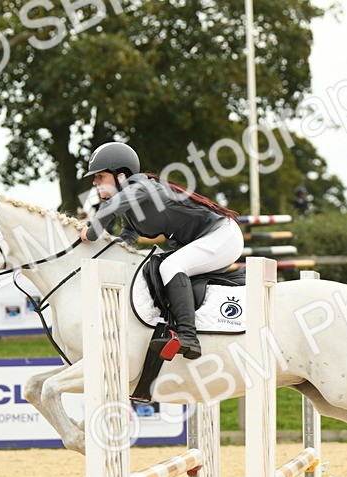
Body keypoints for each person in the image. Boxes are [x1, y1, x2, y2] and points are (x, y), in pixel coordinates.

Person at [78, 142, 243, 360]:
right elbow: (128, 236)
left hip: (222, 237)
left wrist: (89, 234)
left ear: (120, 176)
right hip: (210, 240)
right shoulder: (131, 202)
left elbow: (108, 210)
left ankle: (188, 336)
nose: (94, 182)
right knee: (156, 265)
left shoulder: (141, 188)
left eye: (100, 177)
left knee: (171, 266)